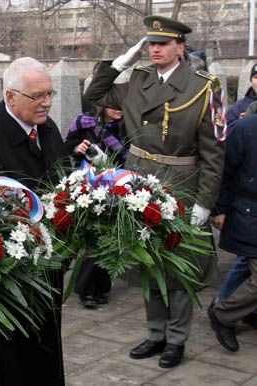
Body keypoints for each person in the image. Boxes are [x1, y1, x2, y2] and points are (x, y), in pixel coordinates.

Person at [86, 15, 225, 368]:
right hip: (142, 179)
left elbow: (213, 153)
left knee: (180, 266)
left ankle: (176, 339)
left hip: (181, 183)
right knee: (149, 262)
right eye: (151, 43)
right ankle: (154, 333)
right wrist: (119, 63)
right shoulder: (140, 79)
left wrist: (205, 203)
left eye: (163, 43)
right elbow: (95, 95)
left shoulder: (203, 86)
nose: (155, 49)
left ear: (181, 47)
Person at [0, 57, 69, 386]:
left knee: (46, 350)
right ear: (11, 97)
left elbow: (61, 185)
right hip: (9, 275)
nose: (47, 103)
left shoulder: (47, 130)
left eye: (49, 94)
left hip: (47, 265)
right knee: (11, 360)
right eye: (37, 96)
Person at [65, 103, 128, 308]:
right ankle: (86, 290)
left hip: (116, 184)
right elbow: (68, 148)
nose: (118, 109)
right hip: (89, 185)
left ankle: (101, 288)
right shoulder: (84, 124)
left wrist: (108, 161)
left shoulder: (125, 126)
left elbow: (128, 156)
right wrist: (78, 149)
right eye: (113, 105)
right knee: (91, 237)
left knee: (109, 237)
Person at [208, 112, 257, 352]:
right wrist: (220, 208)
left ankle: (245, 310)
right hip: (249, 213)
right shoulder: (245, 127)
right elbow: (224, 171)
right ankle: (222, 315)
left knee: (245, 267)